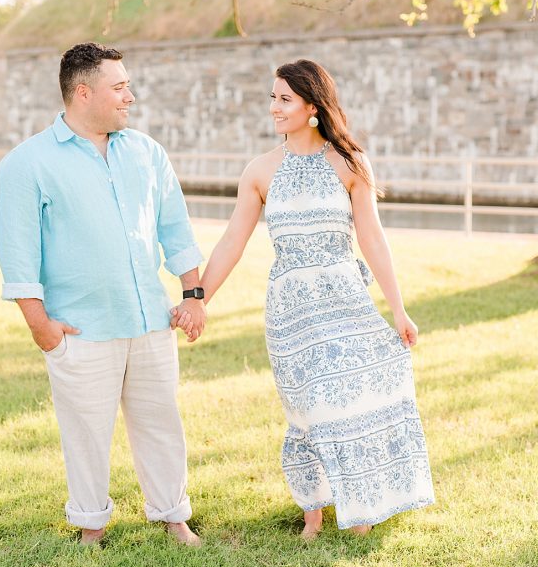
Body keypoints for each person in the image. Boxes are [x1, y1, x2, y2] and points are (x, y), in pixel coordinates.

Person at [174, 59, 434, 539]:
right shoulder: (259, 171)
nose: (274, 108)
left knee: (355, 397)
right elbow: (233, 240)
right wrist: (197, 298)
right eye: (272, 97)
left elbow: (372, 239)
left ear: (312, 106)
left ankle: (364, 506)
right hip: (292, 309)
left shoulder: (350, 163)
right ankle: (314, 515)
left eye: (284, 99)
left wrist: (398, 309)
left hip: (345, 298)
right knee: (308, 407)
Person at [0, 42, 206, 547]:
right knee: (86, 434)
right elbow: (18, 255)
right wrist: (40, 327)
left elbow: (175, 229)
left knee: (161, 423)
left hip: (152, 321)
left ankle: (174, 516)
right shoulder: (27, 164)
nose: (130, 96)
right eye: (120, 86)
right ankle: (91, 524)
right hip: (80, 329)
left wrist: (193, 294)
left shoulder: (147, 152)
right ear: (83, 92)